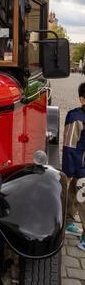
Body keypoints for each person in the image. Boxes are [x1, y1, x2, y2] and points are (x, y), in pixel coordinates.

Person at [62, 82, 85, 251]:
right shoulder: (76, 117)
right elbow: (69, 146)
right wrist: (68, 172)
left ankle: (68, 221)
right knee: (80, 200)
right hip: (80, 167)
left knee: (72, 195)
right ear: (82, 100)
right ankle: (70, 223)